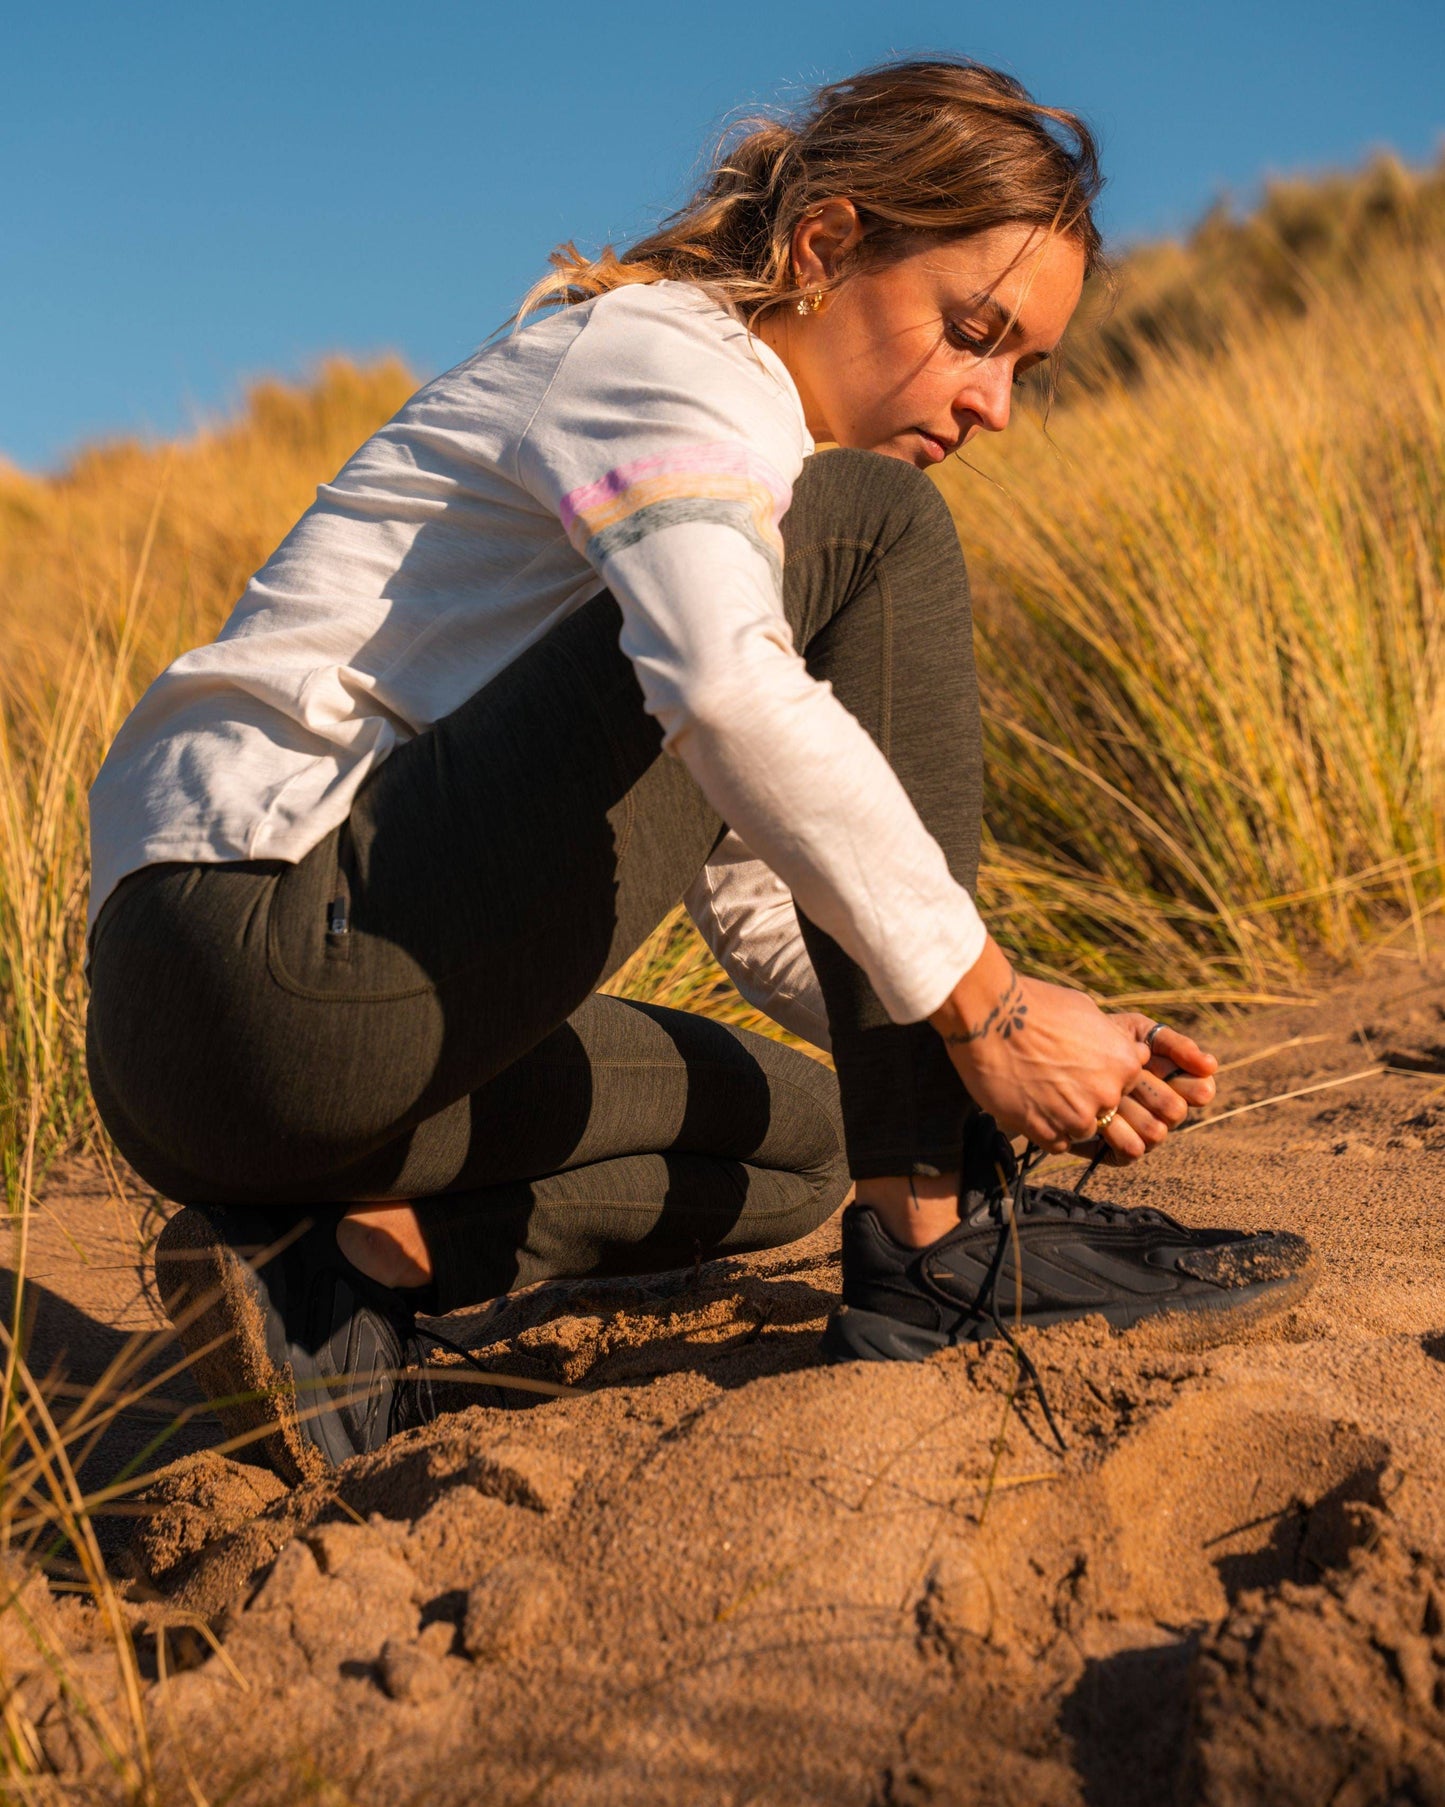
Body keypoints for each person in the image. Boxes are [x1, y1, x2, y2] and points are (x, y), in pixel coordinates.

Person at [85, 57, 1310, 1482]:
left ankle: (334, 1276)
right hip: (264, 955)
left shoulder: (719, 494)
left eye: (1022, 367)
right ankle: (940, 1245)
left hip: (211, 1081)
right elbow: (726, 692)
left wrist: (986, 1024)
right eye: (973, 333)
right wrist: (988, 1009)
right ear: (825, 246)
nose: (993, 404)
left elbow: (753, 882)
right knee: (875, 522)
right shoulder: (665, 358)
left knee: (805, 1143)